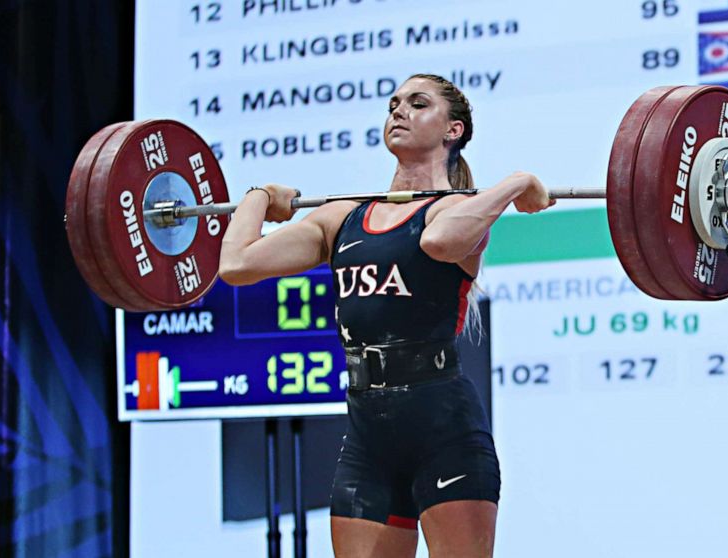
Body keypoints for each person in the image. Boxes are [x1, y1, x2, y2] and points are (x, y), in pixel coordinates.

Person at [218, 73, 554, 558]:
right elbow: (237, 265)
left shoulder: (457, 211)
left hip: (446, 433)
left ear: (452, 130)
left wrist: (518, 183)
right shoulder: (341, 218)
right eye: (394, 103)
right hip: (367, 438)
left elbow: (438, 243)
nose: (398, 111)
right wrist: (258, 197)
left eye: (417, 104)